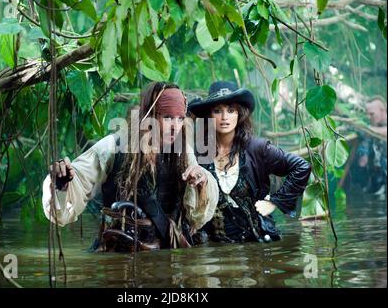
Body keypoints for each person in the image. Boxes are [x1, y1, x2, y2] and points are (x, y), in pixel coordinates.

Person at [42, 82, 219, 252]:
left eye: (180, 119)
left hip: (166, 251)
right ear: (150, 116)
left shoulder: (183, 153)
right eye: (167, 117)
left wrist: (201, 181)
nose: (175, 127)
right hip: (120, 252)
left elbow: (197, 217)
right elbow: (76, 182)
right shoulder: (113, 146)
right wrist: (62, 183)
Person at [188, 81, 311, 243]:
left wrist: (275, 202)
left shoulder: (257, 148)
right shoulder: (199, 153)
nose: (224, 117)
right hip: (214, 249)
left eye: (231, 110)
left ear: (239, 114)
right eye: (217, 111)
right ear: (209, 116)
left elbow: (302, 166)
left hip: (257, 244)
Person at [354, 97, 387, 199]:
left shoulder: (373, 129)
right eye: (367, 114)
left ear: (382, 111)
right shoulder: (373, 129)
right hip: (377, 179)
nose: (369, 117)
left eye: (372, 114)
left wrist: (365, 128)